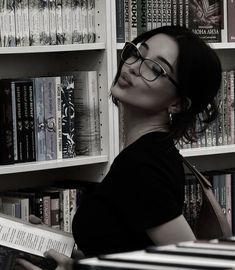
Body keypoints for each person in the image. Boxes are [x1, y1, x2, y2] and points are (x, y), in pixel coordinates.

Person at [17, 25, 222, 270]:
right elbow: (132, 247)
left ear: (177, 104)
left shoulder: (143, 164)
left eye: (155, 69)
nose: (133, 67)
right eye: (137, 53)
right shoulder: (151, 152)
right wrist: (69, 253)